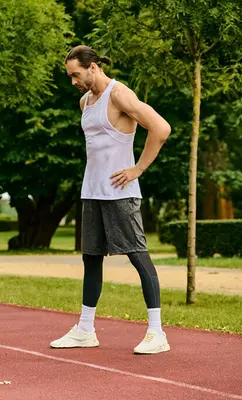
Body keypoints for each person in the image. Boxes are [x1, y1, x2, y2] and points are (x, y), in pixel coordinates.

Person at [50, 45, 172, 354]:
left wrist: (138, 169)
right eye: (70, 76)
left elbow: (161, 127)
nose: (73, 81)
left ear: (92, 67)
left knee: (138, 256)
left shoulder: (119, 95)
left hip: (120, 193)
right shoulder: (84, 101)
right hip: (92, 192)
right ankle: (85, 330)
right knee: (90, 258)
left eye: (76, 74)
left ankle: (157, 333)